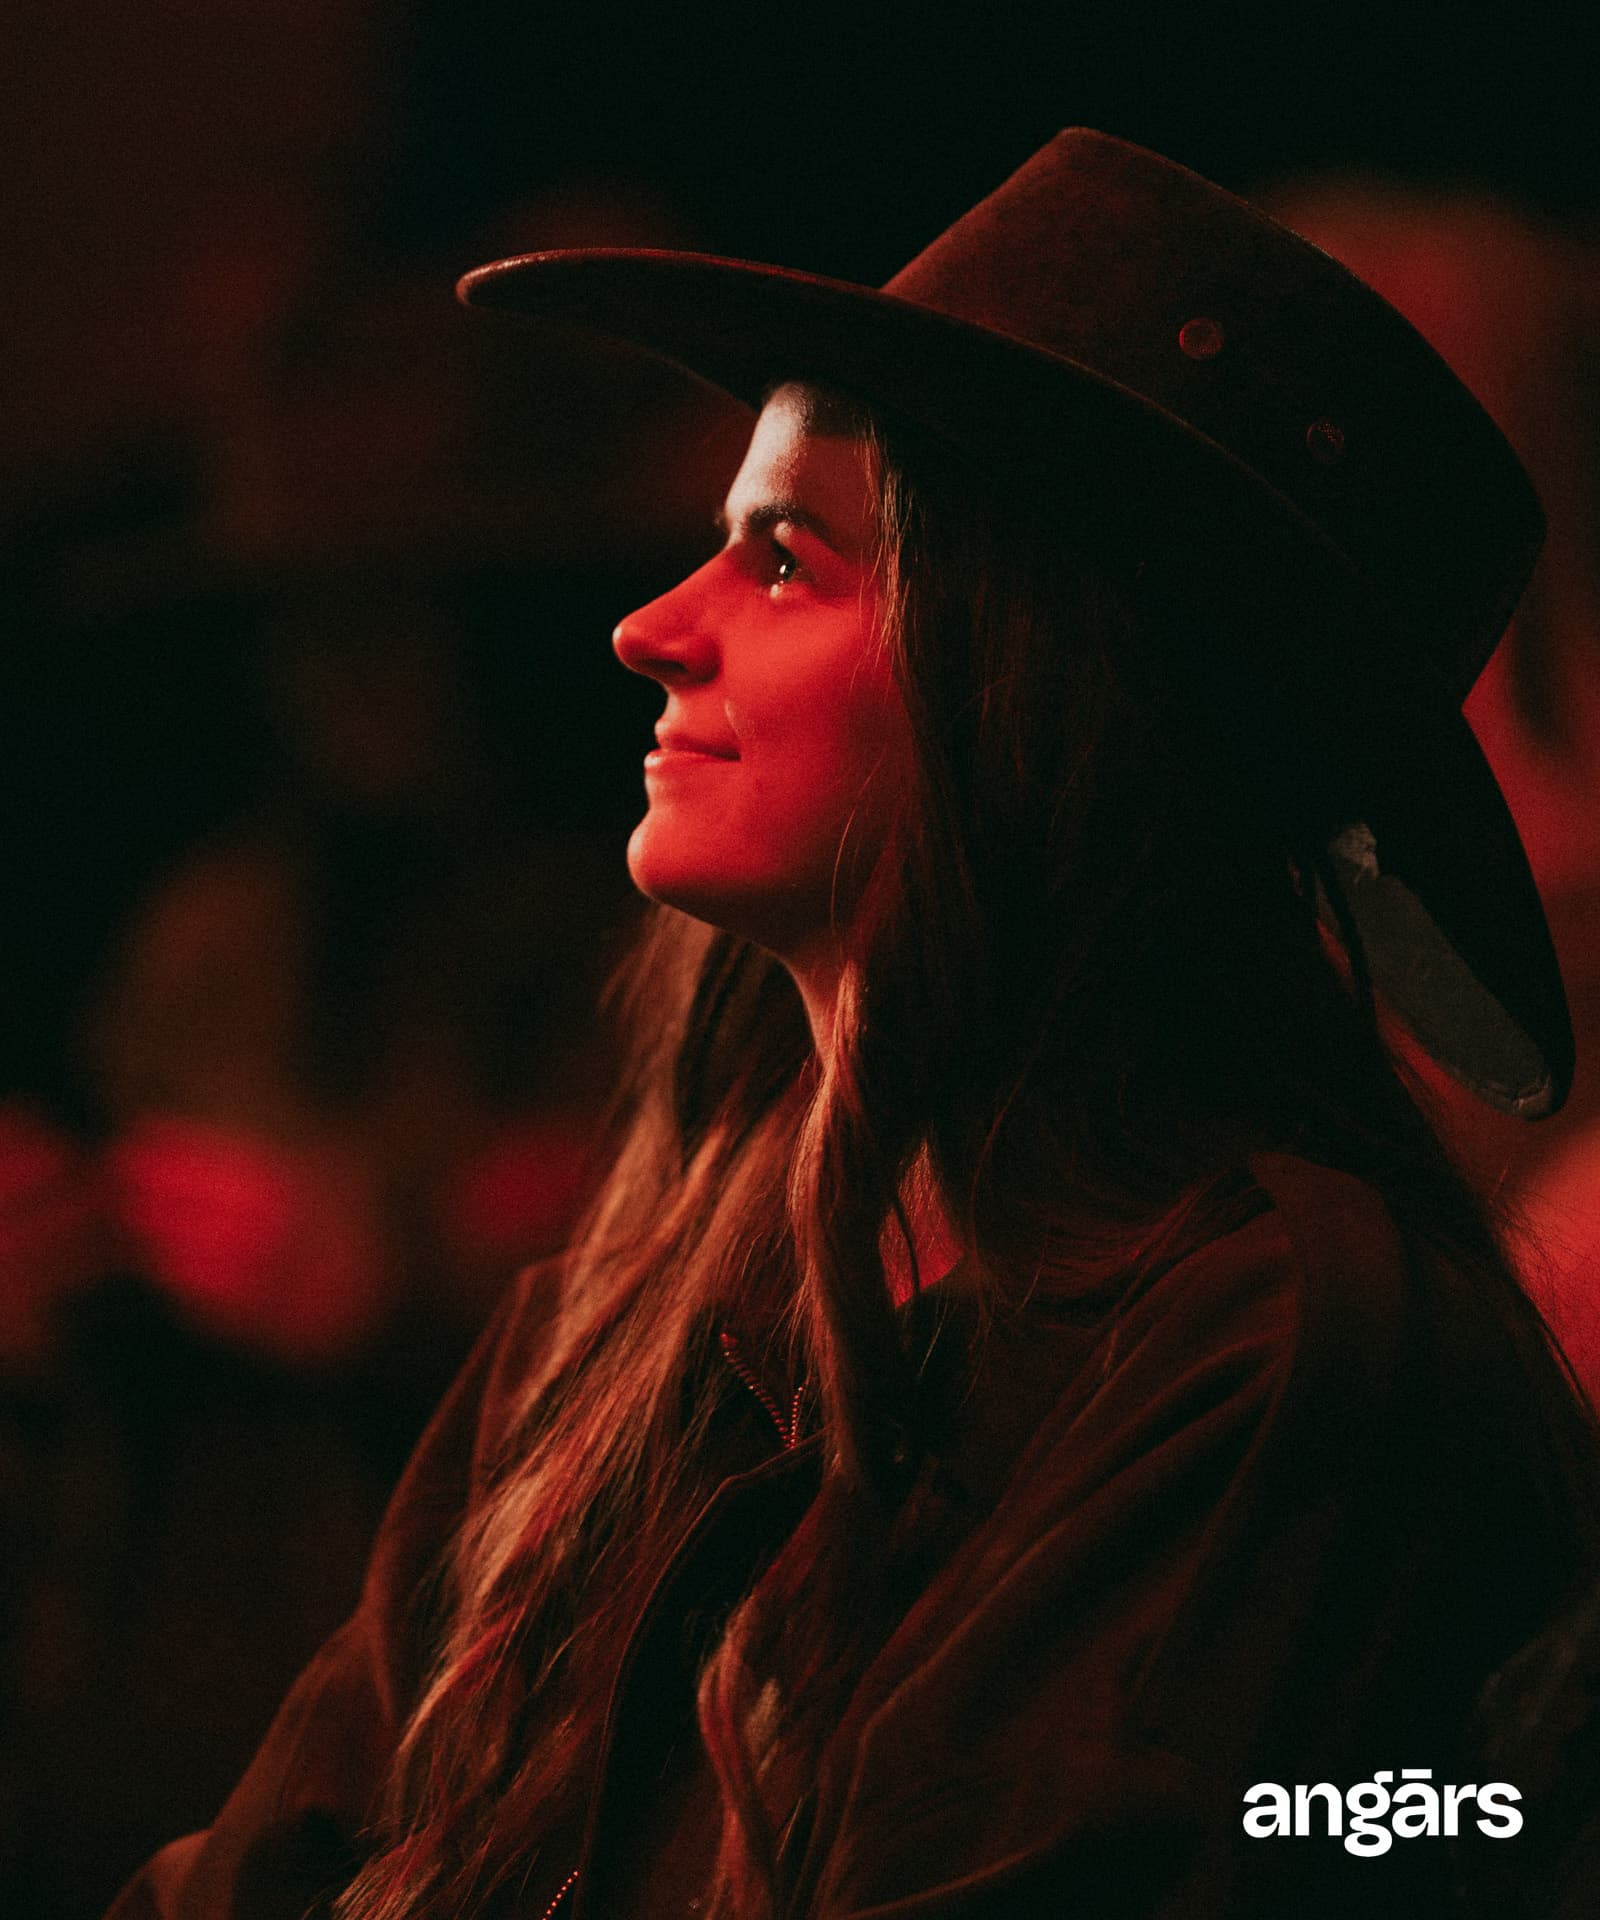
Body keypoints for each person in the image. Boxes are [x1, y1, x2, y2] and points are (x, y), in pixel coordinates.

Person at [106, 130, 1600, 1919]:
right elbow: (272, 1857)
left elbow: (1179, 1850)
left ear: (1037, 669)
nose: (649, 626)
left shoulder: (1277, 1346)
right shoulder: (643, 1297)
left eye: (784, 560)